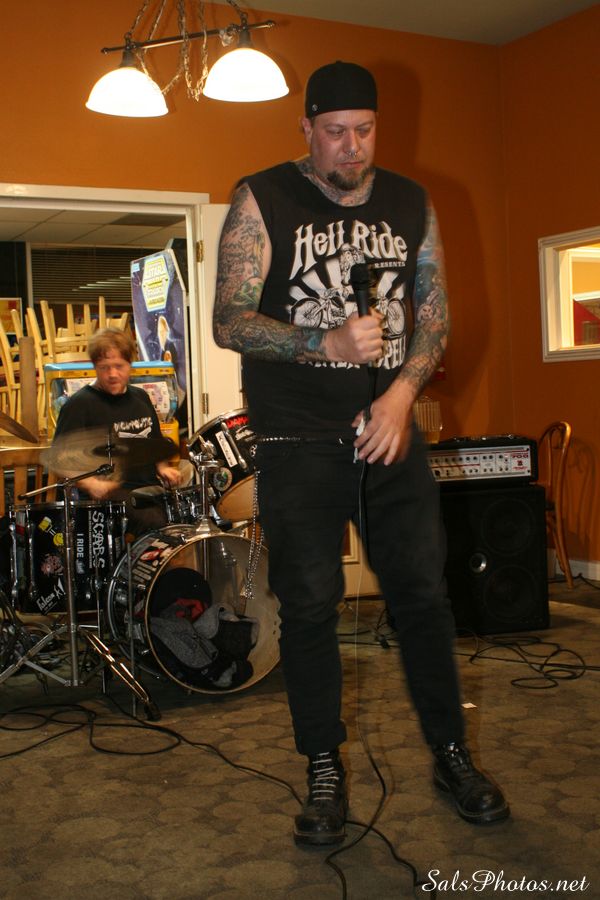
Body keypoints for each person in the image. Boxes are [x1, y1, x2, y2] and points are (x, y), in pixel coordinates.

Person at [213, 60, 509, 847]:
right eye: (335, 131)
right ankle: (323, 767)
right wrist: (326, 341)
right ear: (307, 129)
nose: (351, 146)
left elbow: (434, 317)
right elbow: (229, 319)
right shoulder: (262, 197)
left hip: (389, 431)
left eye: (365, 130)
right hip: (296, 440)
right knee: (310, 605)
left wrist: (403, 394)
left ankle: (451, 755)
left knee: (423, 598)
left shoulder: (411, 202)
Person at [52, 327, 182, 536]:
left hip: (148, 493)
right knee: (158, 524)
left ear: (131, 364)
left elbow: (154, 444)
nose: (112, 374)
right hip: (110, 503)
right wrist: (90, 483)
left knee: (190, 514)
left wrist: (163, 468)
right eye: (104, 367)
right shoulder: (79, 405)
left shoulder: (141, 398)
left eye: (119, 366)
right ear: (95, 366)